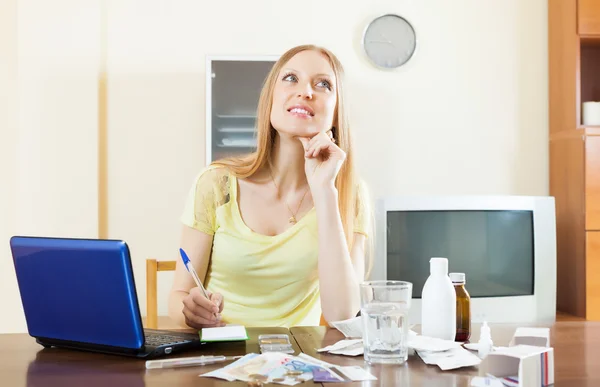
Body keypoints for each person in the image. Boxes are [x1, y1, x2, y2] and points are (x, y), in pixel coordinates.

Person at [168, 44, 372, 329]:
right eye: (291, 78)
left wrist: (324, 190)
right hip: (219, 358)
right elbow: (178, 296)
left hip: (298, 365)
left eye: (323, 84)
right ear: (270, 99)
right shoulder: (216, 183)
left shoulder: (350, 193)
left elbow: (343, 315)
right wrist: (191, 311)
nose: (305, 91)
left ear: (337, 113)